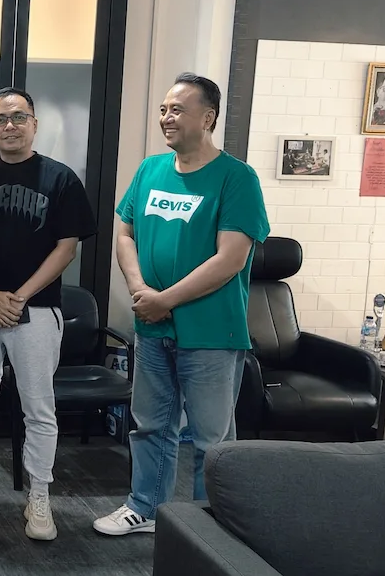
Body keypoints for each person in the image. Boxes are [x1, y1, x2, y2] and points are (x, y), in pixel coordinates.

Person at [93, 73, 269, 536]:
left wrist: (164, 299)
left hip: (210, 331)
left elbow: (231, 258)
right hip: (153, 327)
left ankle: (214, 527)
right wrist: (140, 290)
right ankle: (145, 507)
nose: (166, 118)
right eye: (163, 110)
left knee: (212, 439)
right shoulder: (150, 170)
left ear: (208, 118)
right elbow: (124, 233)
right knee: (150, 426)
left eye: (177, 110)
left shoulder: (236, 178)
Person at [0, 87, 97, 541]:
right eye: (0, 119)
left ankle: (39, 495)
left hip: (38, 310)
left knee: (38, 407)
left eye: (18, 117)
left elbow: (67, 248)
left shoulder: (61, 180)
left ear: (34, 124)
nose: (9, 126)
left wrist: (19, 297)